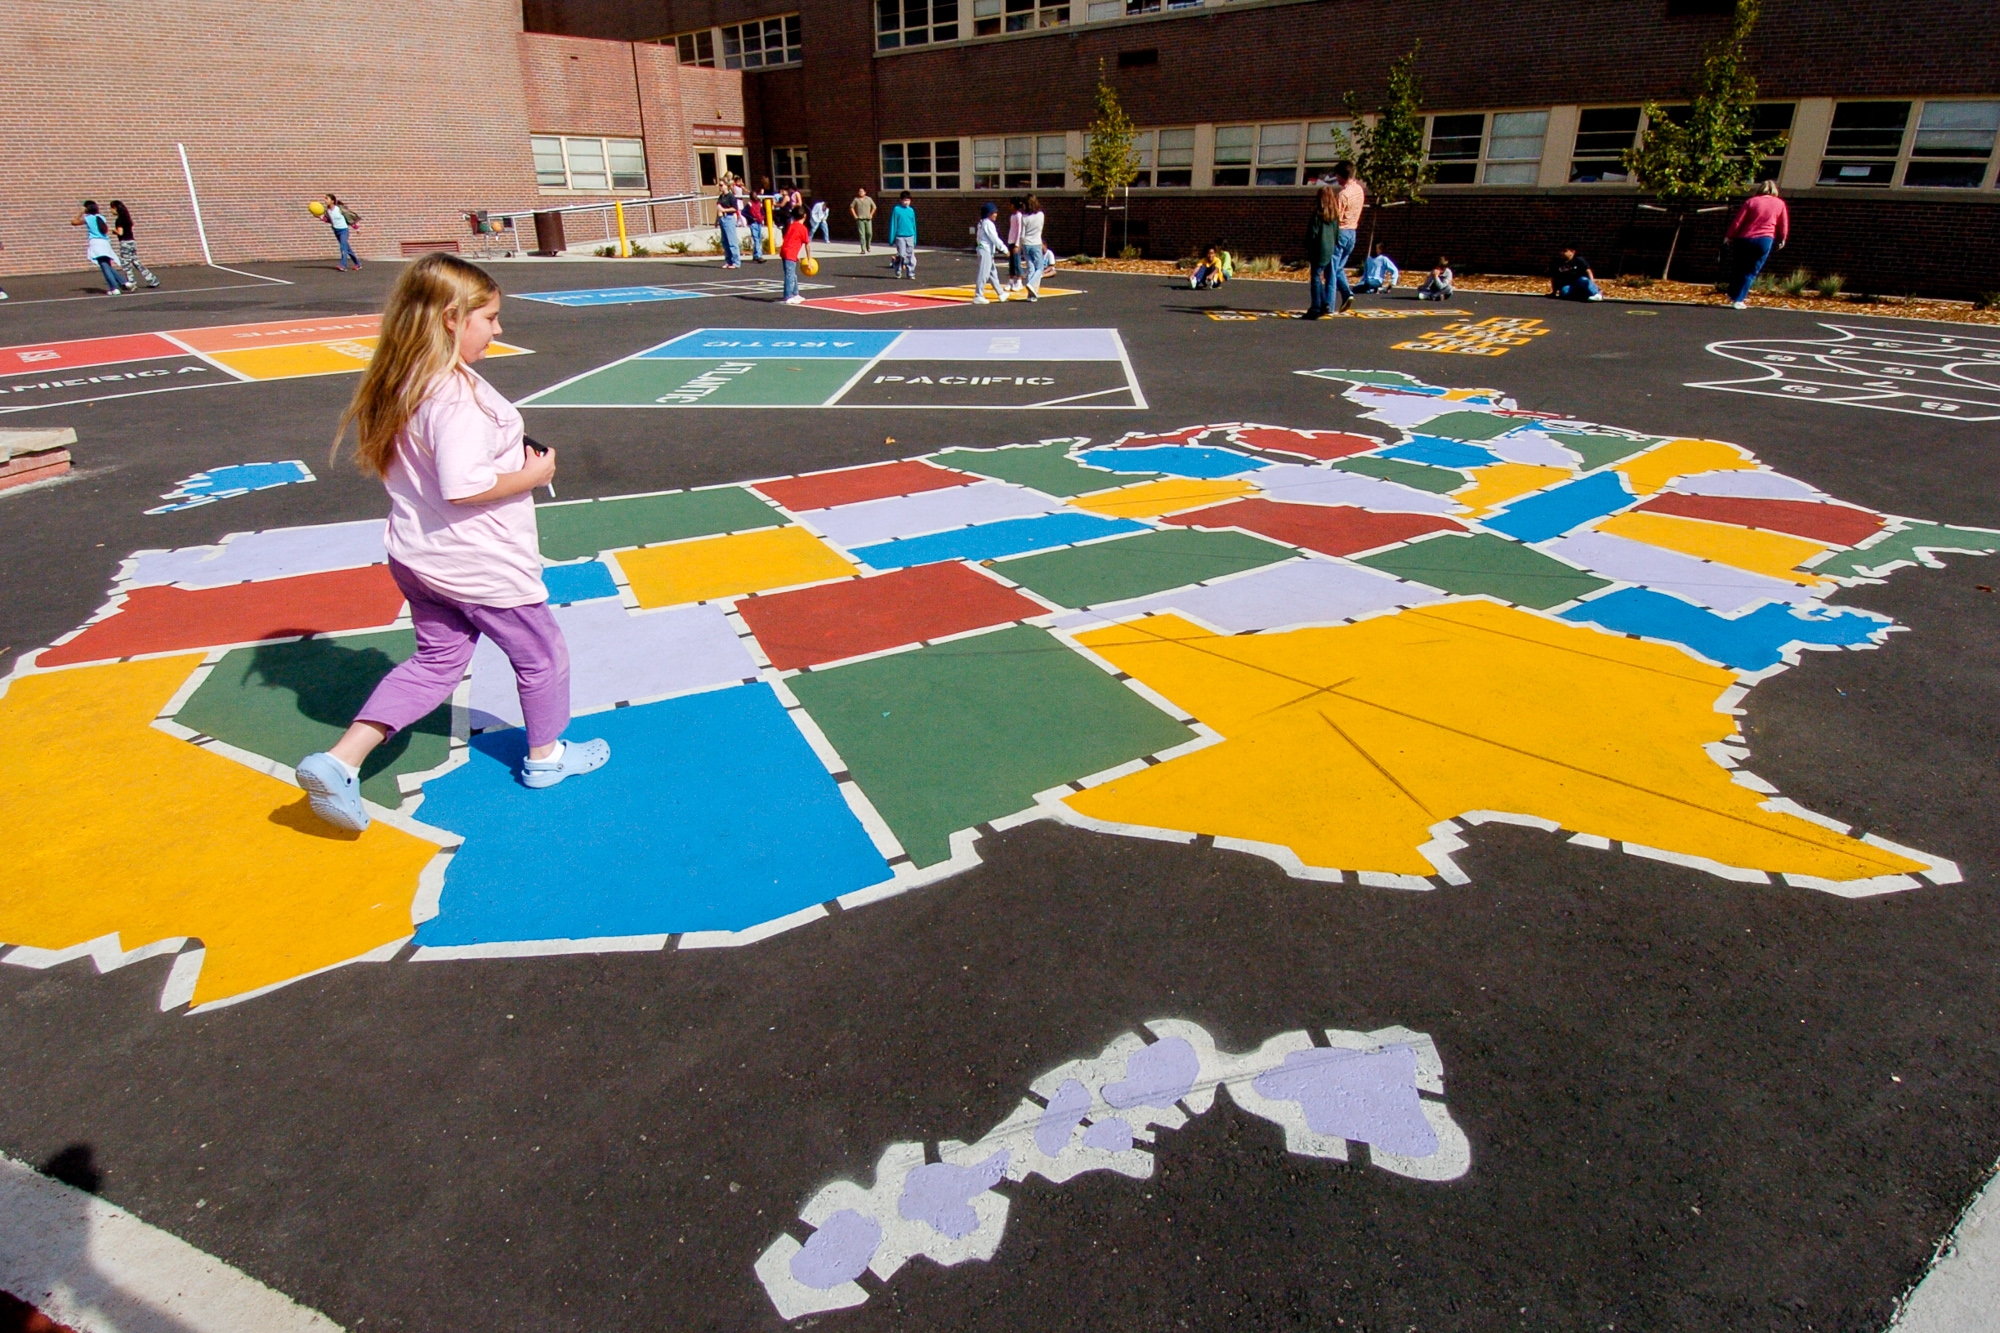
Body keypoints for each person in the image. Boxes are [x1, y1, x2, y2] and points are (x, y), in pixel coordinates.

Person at [295, 253, 609, 832]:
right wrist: (533, 475)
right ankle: (546, 758)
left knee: (437, 661)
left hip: (419, 555)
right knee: (542, 655)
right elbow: (464, 486)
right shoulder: (453, 396)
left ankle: (340, 761)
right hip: (478, 562)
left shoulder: (405, 378)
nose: (498, 329)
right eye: (488, 318)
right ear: (449, 318)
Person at [1724, 180, 1789, 310]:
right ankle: (1739, 299)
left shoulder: (1751, 202)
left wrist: (1729, 236)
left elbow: (1738, 221)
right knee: (1751, 270)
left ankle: (1732, 293)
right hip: (1765, 239)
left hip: (1744, 238)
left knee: (1739, 267)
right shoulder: (1780, 204)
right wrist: (1782, 238)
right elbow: (1783, 224)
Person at [1331, 161, 1364, 312]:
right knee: (1339, 267)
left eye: (1337, 175)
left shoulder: (1343, 194)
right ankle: (1346, 294)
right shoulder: (1359, 190)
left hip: (1341, 232)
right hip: (1352, 232)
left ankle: (1330, 304)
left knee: (1332, 269)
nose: (1336, 178)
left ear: (1341, 175)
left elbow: (1336, 217)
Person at [106, 201, 161, 290]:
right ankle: (152, 279)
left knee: (126, 265)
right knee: (136, 262)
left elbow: (120, 233)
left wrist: (113, 230)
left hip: (125, 243)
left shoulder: (119, 220)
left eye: (112, 208)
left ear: (116, 208)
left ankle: (131, 283)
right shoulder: (127, 218)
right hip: (132, 241)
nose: (111, 210)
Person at [73, 202, 126, 294]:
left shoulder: (88, 218)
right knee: (107, 265)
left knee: (104, 267)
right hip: (105, 243)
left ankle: (114, 288)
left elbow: (74, 222)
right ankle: (123, 282)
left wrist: (81, 212)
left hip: (96, 243)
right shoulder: (101, 217)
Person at [1304, 186, 1340, 318]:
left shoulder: (1317, 215)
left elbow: (1312, 234)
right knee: (1321, 276)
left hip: (1319, 249)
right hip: (1330, 249)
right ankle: (1324, 303)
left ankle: (1316, 307)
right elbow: (1337, 234)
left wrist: (1307, 245)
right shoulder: (1334, 216)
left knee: (1315, 277)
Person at [971, 202, 1006, 305]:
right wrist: (1004, 249)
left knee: (992, 272)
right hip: (985, 250)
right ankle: (978, 295)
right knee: (984, 273)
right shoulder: (988, 224)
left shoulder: (982, 223)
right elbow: (994, 238)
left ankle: (1001, 293)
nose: (996, 214)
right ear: (989, 213)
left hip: (985, 250)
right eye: (994, 212)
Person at [780, 206, 812, 304]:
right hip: (789, 253)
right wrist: (809, 260)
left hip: (786, 251)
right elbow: (807, 245)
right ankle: (788, 296)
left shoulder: (792, 225)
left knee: (793, 275)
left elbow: (790, 240)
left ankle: (795, 294)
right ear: (805, 216)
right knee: (790, 275)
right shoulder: (803, 229)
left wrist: (795, 255)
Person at [1018, 194, 1047, 301]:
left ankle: (1031, 295)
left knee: (1031, 268)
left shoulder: (1024, 217)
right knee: (1040, 268)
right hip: (1036, 243)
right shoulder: (1041, 215)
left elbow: (1022, 233)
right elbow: (1040, 229)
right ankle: (1031, 284)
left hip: (1026, 244)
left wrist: (1020, 245)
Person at [324, 194, 361, 271]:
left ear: (332, 201)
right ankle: (358, 264)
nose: (325, 200)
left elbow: (348, 218)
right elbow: (329, 220)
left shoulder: (339, 209)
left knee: (343, 247)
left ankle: (342, 265)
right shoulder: (327, 210)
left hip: (344, 230)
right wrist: (321, 218)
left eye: (327, 199)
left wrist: (356, 228)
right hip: (336, 231)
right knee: (347, 248)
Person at [888, 191, 918, 279]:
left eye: (908, 200)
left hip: (910, 235)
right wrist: (892, 238)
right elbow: (893, 224)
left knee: (910, 255)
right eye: (905, 200)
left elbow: (914, 225)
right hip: (900, 236)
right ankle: (898, 269)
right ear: (901, 200)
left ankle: (910, 272)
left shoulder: (911, 210)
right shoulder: (896, 209)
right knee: (901, 254)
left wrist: (915, 238)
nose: (906, 202)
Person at [717, 178, 742, 268]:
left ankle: (736, 262)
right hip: (722, 218)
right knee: (725, 241)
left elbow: (735, 208)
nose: (720, 187)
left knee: (732, 241)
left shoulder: (731, 196)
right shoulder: (721, 197)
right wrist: (717, 220)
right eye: (719, 185)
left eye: (721, 185)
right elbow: (718, 207)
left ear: (726, 186)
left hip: (729, 218)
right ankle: (728, 261)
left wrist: (724, 210)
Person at [1005, 197, 1026, 294]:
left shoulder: (1019, 216)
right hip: (1011, 241)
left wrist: (1017, 244)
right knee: (1011, 262)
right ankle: (1011, 280)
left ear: (1013, 205)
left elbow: (1020, 231)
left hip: (1015, 243)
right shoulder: (1012, 216)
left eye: (1010, 204)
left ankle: (1019, 281)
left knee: (1017, 262)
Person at [747, 180, 770, 262]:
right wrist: (751, 218)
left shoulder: (759, 203)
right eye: (754, 195)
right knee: (756, 239)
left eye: (756, 195)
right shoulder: (749, 204)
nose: (755, 197)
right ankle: (759, 256)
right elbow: (744, 212)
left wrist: (763, 217)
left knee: (759, 239)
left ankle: (755, 254)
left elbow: (762, 211)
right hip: (753, 223)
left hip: (759, 222)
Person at [850, 188, 876, 255]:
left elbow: (874, 207)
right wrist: (855, 215)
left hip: (868, 219)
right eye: (859, 191)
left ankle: (868, 245)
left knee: (869, 233)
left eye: (862, 191)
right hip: (860, 219)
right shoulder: (856, 199)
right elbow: (851, 207)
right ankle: (863, 249)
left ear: (865, 192)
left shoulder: (869, 199)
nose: (861, 192)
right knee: (862, 234)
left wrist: (871, 214)